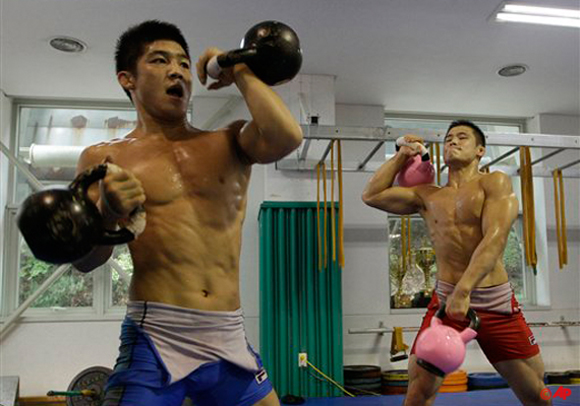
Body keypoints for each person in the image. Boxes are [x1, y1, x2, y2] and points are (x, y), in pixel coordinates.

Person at [73, 20, 302, 406]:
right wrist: (108, 214)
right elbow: (85, 261)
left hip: (228, 334)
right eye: (160, 61)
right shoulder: (102, 157)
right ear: (127, 79)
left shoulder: (229, 141)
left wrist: (240, 70)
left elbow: (287, 137)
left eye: (182, 62)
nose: (177, 70)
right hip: (157, 336)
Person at [362, 120, 550, 406]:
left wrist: (463, 291)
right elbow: (372, 195)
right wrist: (402, 153)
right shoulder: (428, 195)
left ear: (480, 150)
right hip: (445, 305)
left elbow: (495, 239)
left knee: (538, 394)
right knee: (418, 392)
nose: (452, 142)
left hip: (494, 304)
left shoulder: (494, 182)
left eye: (462, 137)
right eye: (448, 138)